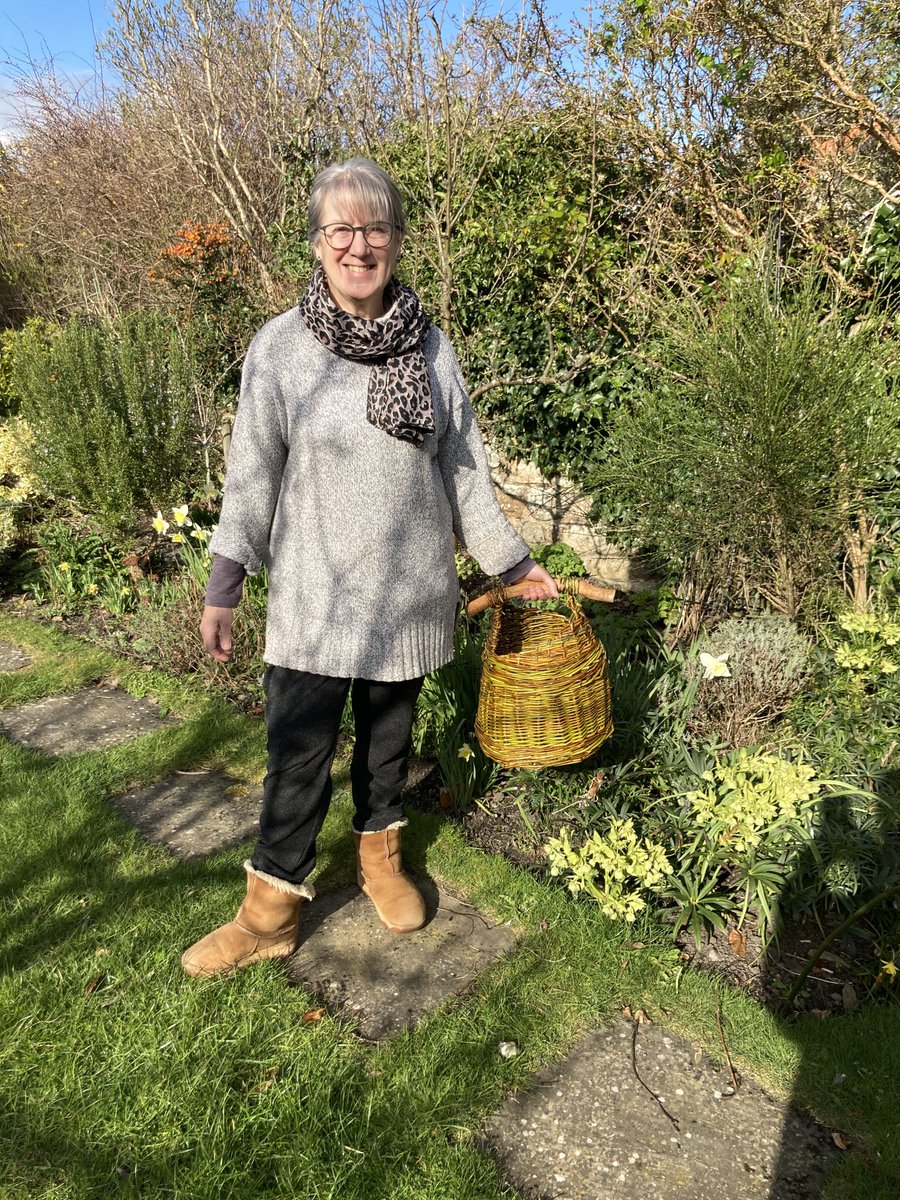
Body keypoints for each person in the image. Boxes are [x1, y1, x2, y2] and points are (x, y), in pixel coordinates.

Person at [181, 157, 557, 978]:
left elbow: (463, 470)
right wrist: (225, 583)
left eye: (375, 228)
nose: (359, 245)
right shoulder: (279, 350)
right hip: (316, 601)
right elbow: (251, 473)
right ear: (317, 243)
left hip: (408, 598)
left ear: (395, 241)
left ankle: (380, 862)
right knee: (298, 759)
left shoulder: (429, 347)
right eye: (341, 229)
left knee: (387, 750)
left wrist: (515, 563)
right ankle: (270, 911)